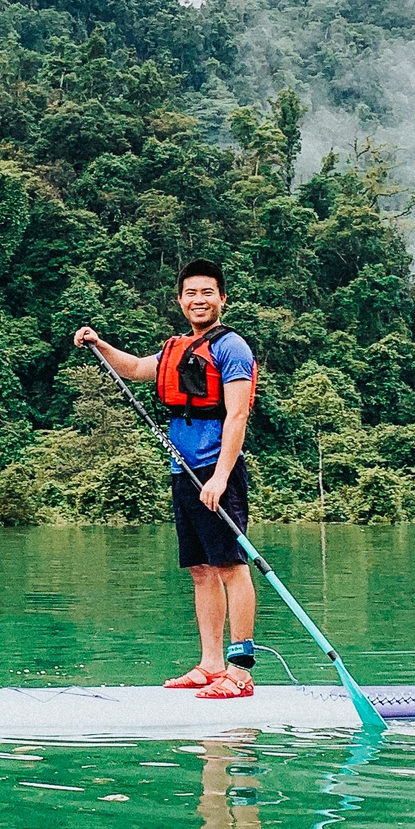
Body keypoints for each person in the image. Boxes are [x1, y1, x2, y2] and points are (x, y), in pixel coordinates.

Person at [74, 258, 259, 698]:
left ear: (222, 298)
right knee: (201, 570)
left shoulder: (233, 348)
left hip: (217, 474)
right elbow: (136, 368)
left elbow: (237, 415)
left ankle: (241, 671)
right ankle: (210, 665)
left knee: (231, 566)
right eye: (191, 293)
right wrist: (100, 345)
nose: (199, 300)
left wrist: (220, 476)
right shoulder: (177, 348)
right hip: (183, 471)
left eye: (207, 292)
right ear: (180, 301)